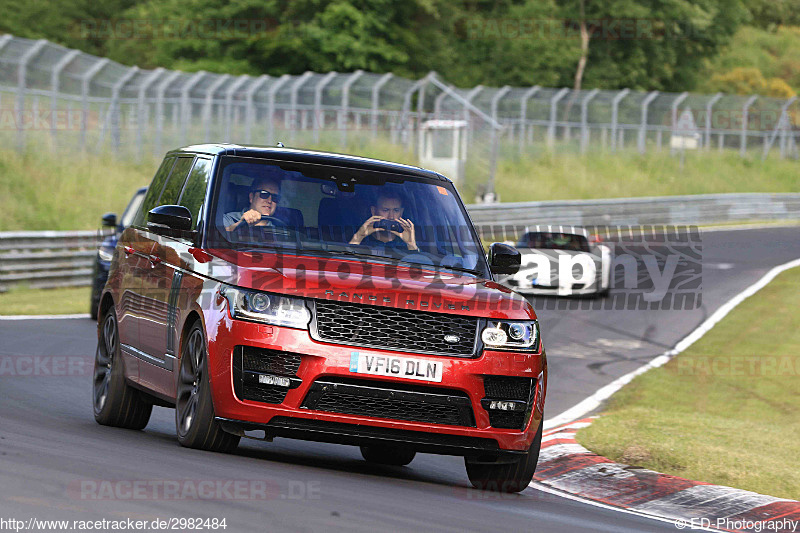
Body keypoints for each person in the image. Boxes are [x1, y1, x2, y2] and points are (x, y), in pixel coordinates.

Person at [349, 191, 418, 251]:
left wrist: (411, 244)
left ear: (401, 212)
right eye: (385, 210)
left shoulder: (406, 242)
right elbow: (346, 263)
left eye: (396, 210)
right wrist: (358, 237)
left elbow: (417, 263)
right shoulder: (360, 239)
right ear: (373, 211)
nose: (391, 216)